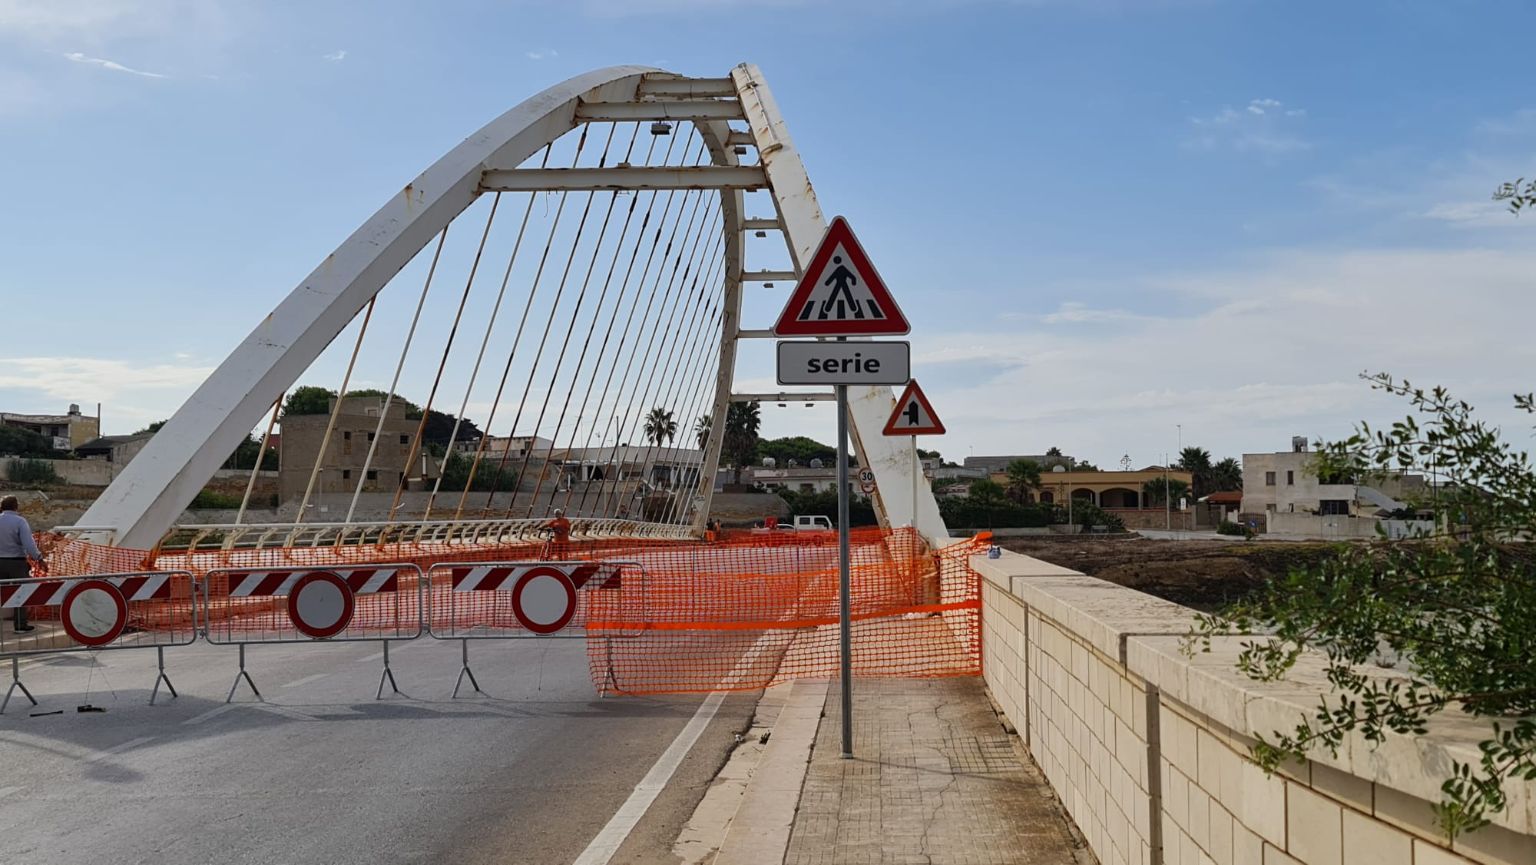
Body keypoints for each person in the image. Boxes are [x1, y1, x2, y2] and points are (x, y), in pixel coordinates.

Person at [0, 495, 45, 632]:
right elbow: (29, 544)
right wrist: (39, 558)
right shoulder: (20, 521)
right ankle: (20, 625)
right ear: (16, 506)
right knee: (20, 593)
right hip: (16, 563)